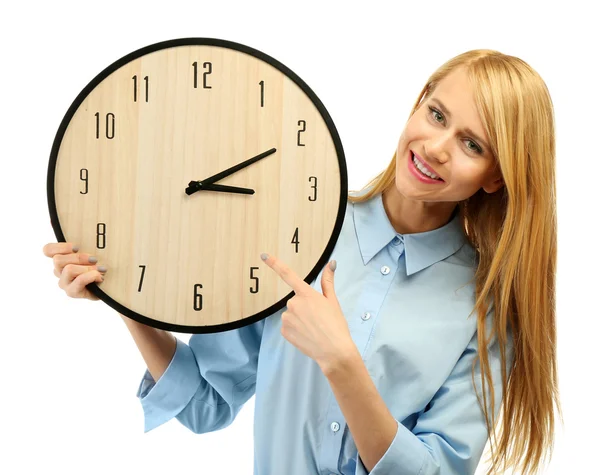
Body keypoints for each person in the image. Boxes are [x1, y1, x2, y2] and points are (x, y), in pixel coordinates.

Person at [43, 48, 559, 475]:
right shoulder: (298, 226)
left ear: (497, 176)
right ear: (418, 103)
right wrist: (123, 298)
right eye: (437, 115)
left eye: (472, 144)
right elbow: (205, 404)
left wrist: (342, 363)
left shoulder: (485, 308)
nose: (438, 147)